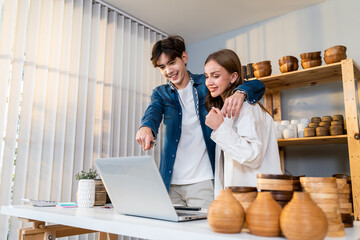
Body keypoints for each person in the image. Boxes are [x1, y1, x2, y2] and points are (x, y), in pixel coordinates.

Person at [136, 36, 265, 208]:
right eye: (162, 67)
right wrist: (146, 127)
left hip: (203, 181)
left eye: (171, 62)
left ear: (184, 58)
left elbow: (257, 85)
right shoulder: (161, 93)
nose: (168, 70)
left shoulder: (206, 85)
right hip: (170, 182)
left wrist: (241, 92)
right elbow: (152, 112)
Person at [204, 49, 282, 198]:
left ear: (233, 77)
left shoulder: (247, 107)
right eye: (207, 76)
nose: (209, 82)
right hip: (239, 198)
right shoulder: (225, 106)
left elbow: (252, 155)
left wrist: (220, 129)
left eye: (216, 76)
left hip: (255, 198)